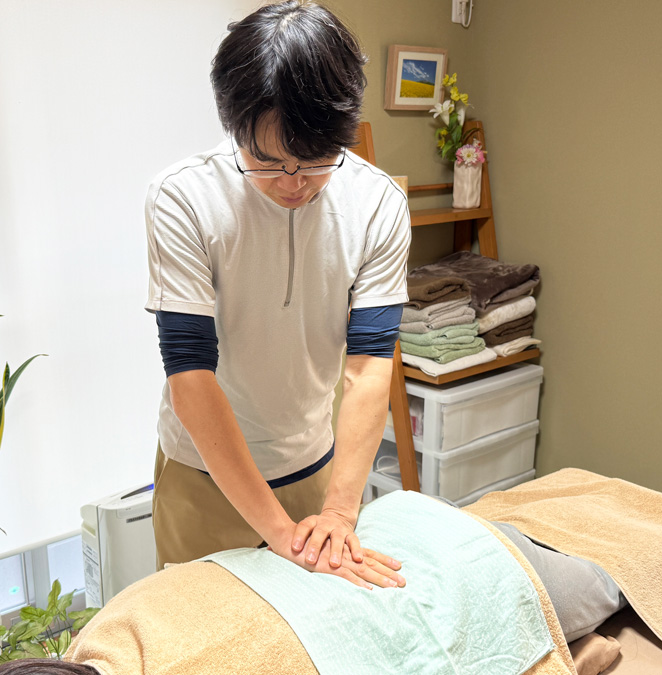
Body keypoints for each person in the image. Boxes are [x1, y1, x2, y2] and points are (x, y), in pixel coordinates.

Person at [144, 0, 410, 589]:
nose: (293, 183)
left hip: (318, 472)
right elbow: (191, 376)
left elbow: (368, 368)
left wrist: (339, 511)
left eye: (315, 162)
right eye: (266, 163)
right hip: (203, 479)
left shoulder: (378, 204)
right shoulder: (183, 198)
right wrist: (276, 530)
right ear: (234, 126)